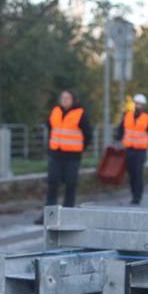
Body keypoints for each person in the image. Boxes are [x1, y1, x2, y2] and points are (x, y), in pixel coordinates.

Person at [38, 89, 92, 221]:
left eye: (67, 98)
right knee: (52, 184)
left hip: (72, 156)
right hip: (56, 154)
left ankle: (68, 214)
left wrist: (80, 148)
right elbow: (51, 128)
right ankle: (49, 215)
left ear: (73, 100)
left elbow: (88, 135)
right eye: (62, 97)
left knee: (70, 184)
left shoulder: (80, 114)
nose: (64, 100)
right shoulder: (55, 111)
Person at [115, 94, 148, 204]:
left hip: (141, 150)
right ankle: (133, 193)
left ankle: (137, 196)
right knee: (131, 173)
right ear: (134, 104)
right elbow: (120, 130)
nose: (138, 106)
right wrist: (117, 140)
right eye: (137, 103)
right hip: (129, 149)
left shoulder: (146, 118)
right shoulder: (127, 116)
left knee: (138, 172)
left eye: (140, 104)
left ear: (143, 106)